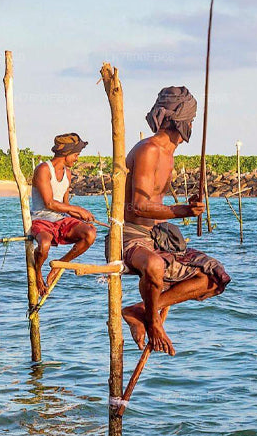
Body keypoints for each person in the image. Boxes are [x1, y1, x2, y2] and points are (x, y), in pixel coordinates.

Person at [122, 87, 230, 356]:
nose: (192, 125)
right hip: (132, 236)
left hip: (156, 236)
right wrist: (182, 211)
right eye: (190, 119)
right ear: (180, 120)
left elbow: (157, 203)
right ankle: (153, 320)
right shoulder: (149, 150)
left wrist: (189, 205)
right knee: (155, 265)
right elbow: (139, 206)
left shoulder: (168, 155)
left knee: (215, 276)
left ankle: (143, 310)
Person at [30, 133, 97, 295]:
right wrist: (77, 209)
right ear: (66, 154)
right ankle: (38, 274)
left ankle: (60, 264)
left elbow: (65, 206)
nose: (77, 159)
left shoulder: (67, 173)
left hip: (60, 220)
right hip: (41, 219)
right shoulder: (43, 170)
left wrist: (78, 215)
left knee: (90, 233)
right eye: (76, 155)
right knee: (44, 245)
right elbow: (50, 203)